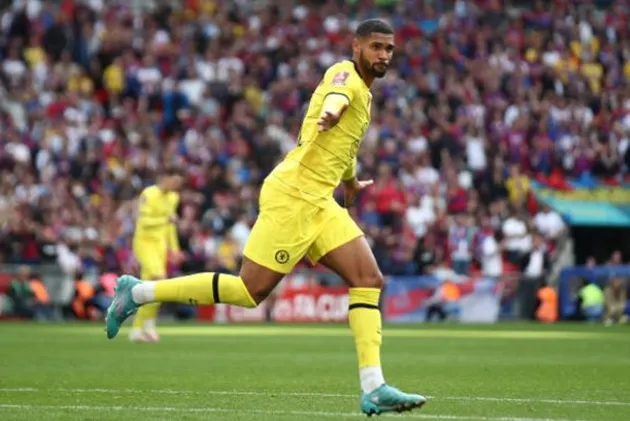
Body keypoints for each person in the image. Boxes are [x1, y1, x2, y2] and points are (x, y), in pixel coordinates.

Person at [105, 19, 426, 415]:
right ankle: (137, 293)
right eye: (376, 47)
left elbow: (343, 146)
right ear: (356, 46)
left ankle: (374, 385)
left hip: (321, 200)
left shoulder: (367, 94)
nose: (383, 55)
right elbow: (336, 98)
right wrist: (330, 110)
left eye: (389, 49)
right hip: (293, 195)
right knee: (248, 292)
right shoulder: (345, 74)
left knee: (368, 279)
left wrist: (352, 182)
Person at [128, 167, 185, 343]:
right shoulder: (149, 194)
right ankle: (148, 324)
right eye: (174, 182)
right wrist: (165, 220)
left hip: (160, 247)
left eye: (179, 184)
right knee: (159, 281)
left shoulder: (173, 197)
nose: (176, 186)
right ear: (164, 178)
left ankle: (138, 329)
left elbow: (170, 227)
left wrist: (174, 249)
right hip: (144, 243)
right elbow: (143, 221)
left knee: (151, 288)